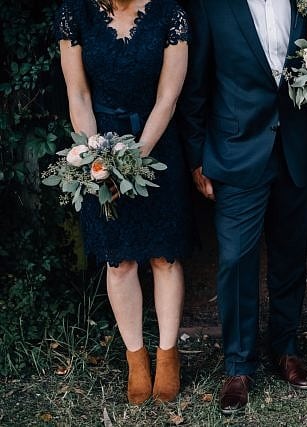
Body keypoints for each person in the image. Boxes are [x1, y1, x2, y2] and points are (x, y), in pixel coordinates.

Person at [178, 0, 307, 415]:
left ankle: (286, 349)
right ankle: (239, 366)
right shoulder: (211, 8)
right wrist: (196, 156)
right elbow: (196, 85)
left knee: (290, 255)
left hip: (294, 147)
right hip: (236, 151)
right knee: (235, 259)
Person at [55, 0, 192, 405]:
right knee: (120, 260)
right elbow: (78, 93)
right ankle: (136, 358)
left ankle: (168, 356)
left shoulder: (171, 14)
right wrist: (99, 158)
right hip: (98, 150)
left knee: (164, 257)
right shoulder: (73, 14)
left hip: (156, 145)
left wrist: (135, 161)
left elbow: (168, 96)